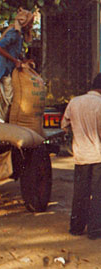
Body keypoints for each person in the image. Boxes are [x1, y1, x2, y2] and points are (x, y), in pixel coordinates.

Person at [61, 73, 101, 240]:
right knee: (98, 194)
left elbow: (64, 125)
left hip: (81, 156)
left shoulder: (74, 102)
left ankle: (76, 228)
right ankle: (95, 230)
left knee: (80, 192)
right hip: (99, 156)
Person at [0, 8, 34, 122]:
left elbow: (15, 51)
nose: (31, 25)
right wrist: (15, 61)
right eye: (30, 23)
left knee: (4, 98)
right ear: (25, 23)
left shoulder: (19, 35)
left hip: (7, 69)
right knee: (10, 98)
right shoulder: (14, 33)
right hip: (2, 69)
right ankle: (7, 123)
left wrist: (23, 60)